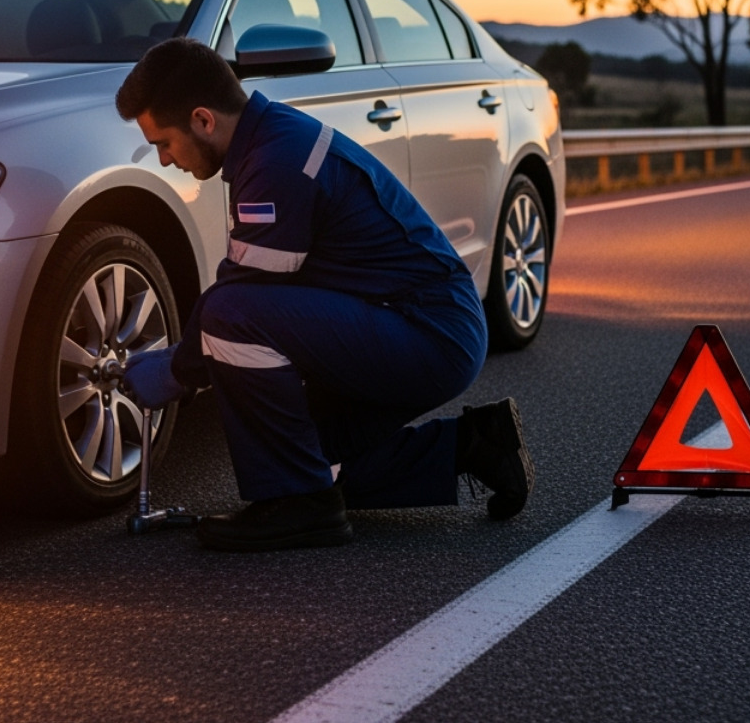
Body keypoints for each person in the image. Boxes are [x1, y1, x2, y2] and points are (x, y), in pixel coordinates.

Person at [115, 38, 533, 551]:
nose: (163, 159)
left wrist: (174, 371)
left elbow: (240, 300)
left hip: (430, 331)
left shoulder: (278, 160)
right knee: (307, 453)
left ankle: (301, 507)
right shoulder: (268, 140)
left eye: (163, 142)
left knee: (229, 317)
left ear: (203, 120)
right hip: (417, 324)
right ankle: (474, 446)